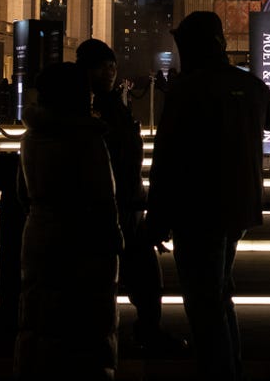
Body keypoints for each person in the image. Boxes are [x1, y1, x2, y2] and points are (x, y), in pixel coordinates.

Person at [145, 11, 270, 381]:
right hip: (238, 208)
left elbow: (167, 159)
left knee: (204, 301)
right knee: (218, 294)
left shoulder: (187, 90)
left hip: (196, 211)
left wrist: (156, 220)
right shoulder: (244, 85)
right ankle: (232, 378)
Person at [14, 61, 123, 381]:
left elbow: (22, 193)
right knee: (80, 323)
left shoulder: (32, 136)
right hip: (83, 238)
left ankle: (40, 378)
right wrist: (115, 241)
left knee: (42, 313)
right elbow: (103, 197)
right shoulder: (87, 139)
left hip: (41, 233)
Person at [75, 38, 187, 357]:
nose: (110, 71)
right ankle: (108, 339)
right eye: (103, 66)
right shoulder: (87, 107)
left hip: (128, 204)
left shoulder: (113, 103)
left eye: (112, 66)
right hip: (103, 209)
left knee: (146, 277)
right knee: (107, 281)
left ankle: (145, 331)